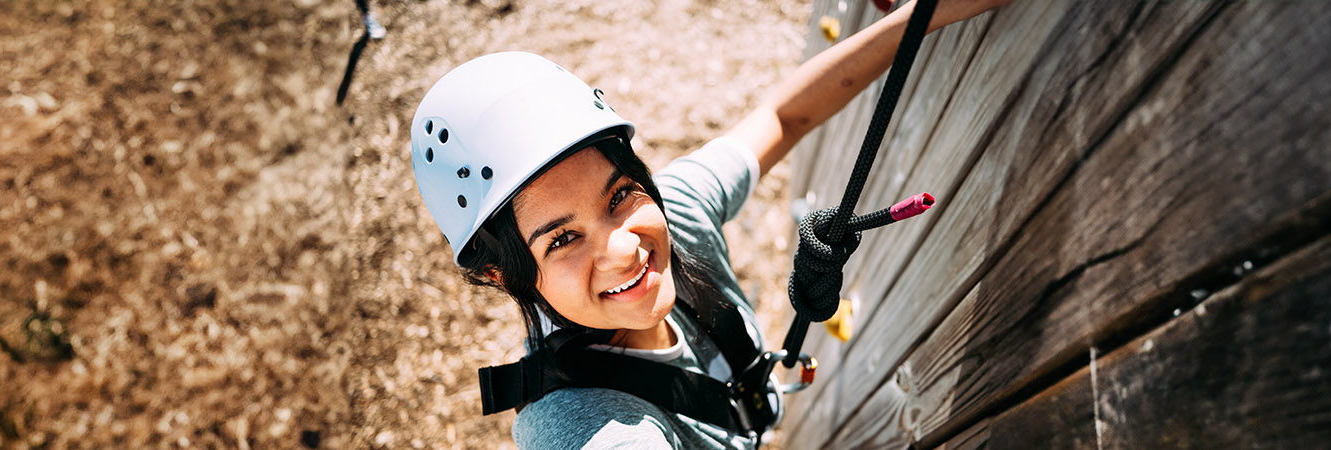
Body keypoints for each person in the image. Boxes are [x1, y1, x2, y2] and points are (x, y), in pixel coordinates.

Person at [406, 1, 1008, 448]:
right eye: (562, 239)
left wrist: (926, 16)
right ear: (500, 273)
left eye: (618, 195)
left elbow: (783, 114)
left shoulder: (680, 214)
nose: (624, 248)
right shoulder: (581, 424)